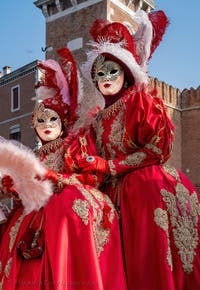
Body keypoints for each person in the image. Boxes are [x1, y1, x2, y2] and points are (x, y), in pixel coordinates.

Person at [79, 9, 200, 290]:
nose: (106, 77)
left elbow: (157, 149)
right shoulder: (96, 120)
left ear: (126, 73)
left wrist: (109, 167)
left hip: (145, 190)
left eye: (112, 70)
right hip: (111, 193)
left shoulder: (141, 102)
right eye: (100, 73)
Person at [0, 48, 127, 289]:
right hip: (33, 211)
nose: (46, 125)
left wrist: (54, 178)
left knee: (65, 209)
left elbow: (90, 177)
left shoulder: (74, 145)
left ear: (62, 121)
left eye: (52, 119)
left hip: (65, 200)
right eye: (40, 121)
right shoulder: (34, 155)